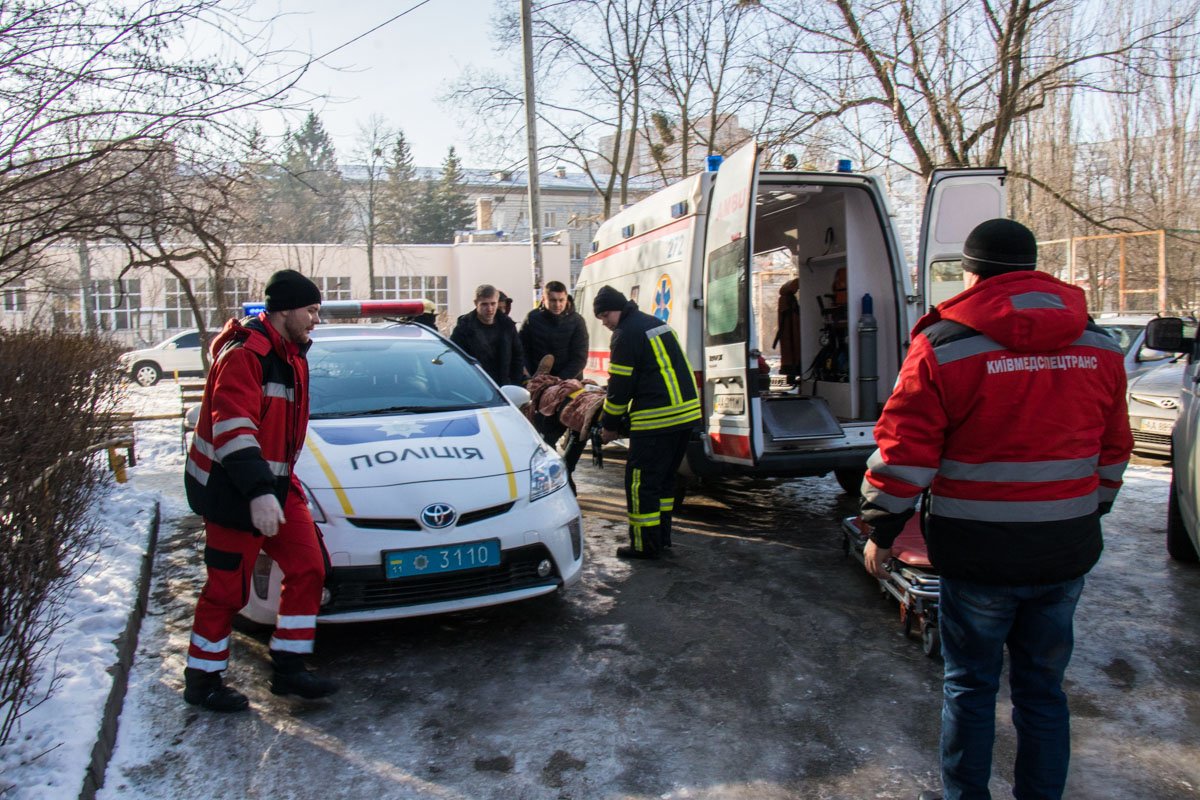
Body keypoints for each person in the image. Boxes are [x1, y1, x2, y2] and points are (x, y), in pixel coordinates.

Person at [858, 219, 1132, 800]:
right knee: (1044, 692)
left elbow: (906, 454)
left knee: (970, 688)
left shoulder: (944, 345)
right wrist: (1088, 512)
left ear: (971, 273)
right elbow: (1113, 452)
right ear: (1033, 269)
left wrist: (880, 530)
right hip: (1064, 551)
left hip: (977, 554)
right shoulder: (1100, 346)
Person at [182, 269, 338, 713]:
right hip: (233, 491)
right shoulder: (245, 355)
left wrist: (276, 487)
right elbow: (234, 429)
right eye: (310, 310)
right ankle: (203, 680)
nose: (315, 320)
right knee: (227, 592)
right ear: (285, 309)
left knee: (309, 567)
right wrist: (258, 493)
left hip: (274, 486)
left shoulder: (293, 355)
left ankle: (289, 668)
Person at [593, 285, 702, 560]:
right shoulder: (657, 325)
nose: (604, 323)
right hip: (685, 417)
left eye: (605, 316)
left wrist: (609, 425)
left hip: (656, 421)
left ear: (616, 309)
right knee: (664, 482)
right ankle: (661, 538)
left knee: (640, 483)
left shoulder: (625, 335)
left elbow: (619, 389)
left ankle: (644, 545)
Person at [519, 280, 589, 447]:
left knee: (578, 430)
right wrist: (531, 376)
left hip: (569, 384)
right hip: (540, 386)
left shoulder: (577, 321)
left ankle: (568, 467)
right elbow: (522, 350)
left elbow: (579, 358)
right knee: (545, 433)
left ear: (567, 299)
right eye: (553, 300)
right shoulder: (532, 318)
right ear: (544, 299)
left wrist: (559, 383)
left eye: (561, 300)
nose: (557, 304)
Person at [451, 283, 524, 386]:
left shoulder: (507, 325)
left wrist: (514, 384)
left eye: (493, 304)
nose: (489, 309)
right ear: (476, 303)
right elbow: (456, 361)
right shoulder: (464, 328)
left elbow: (517, 356)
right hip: (475, 388)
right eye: (484, 304)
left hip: (504, 387)